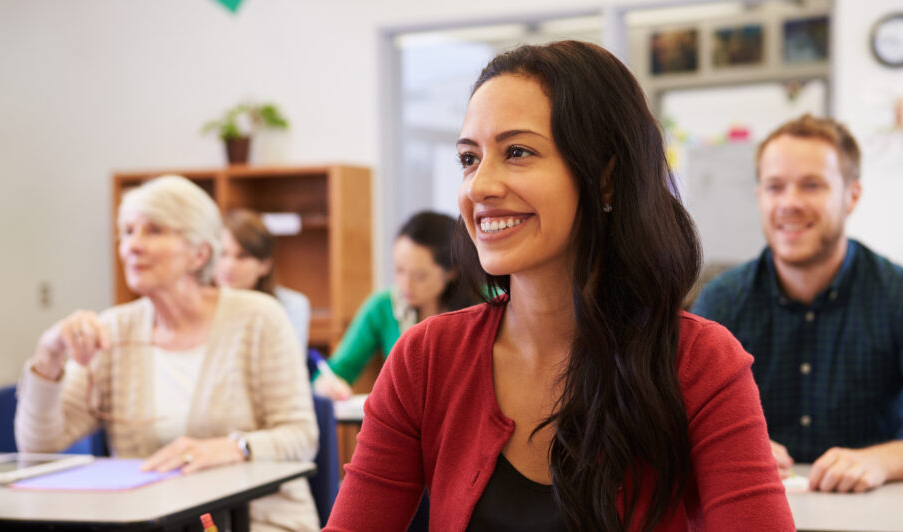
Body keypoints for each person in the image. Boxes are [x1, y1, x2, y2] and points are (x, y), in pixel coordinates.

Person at [326, 41, 792, 530]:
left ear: (607, 179)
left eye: (518, 152)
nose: (479, 186)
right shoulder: (426, 359)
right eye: (469, 158)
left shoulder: (698, 361)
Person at [15, 176, 320, 531]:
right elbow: (39, 447)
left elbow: (302, 437)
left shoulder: (259, 318)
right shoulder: (114, 329)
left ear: (200, 253)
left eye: (154, 231)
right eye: (128, 232)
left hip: (258, 521)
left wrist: (234, 447)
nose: (133, 246)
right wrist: (49, 356)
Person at [691, 114, 903, 493]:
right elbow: (671, 422)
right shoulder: (722, 300)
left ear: (852, 195)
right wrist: (731, 449)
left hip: (874, 514)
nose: (789, 203)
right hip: (760, 509)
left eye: (812, 185)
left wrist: (879, 461)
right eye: (775, 187)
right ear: (759, 197)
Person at [312, 210, 472, 400]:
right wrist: (326, 384)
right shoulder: (383, 306)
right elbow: (338, 369)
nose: (406, 284)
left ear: (451, 271)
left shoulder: (486, 305)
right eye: (399, 270)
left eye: (419, 276)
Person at [216, 208, 312, 350]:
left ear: (265, 265)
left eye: (242, 256)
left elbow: (290, 365)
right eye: (222, 254)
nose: (229, 265)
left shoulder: (292, 305)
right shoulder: (198, 304)